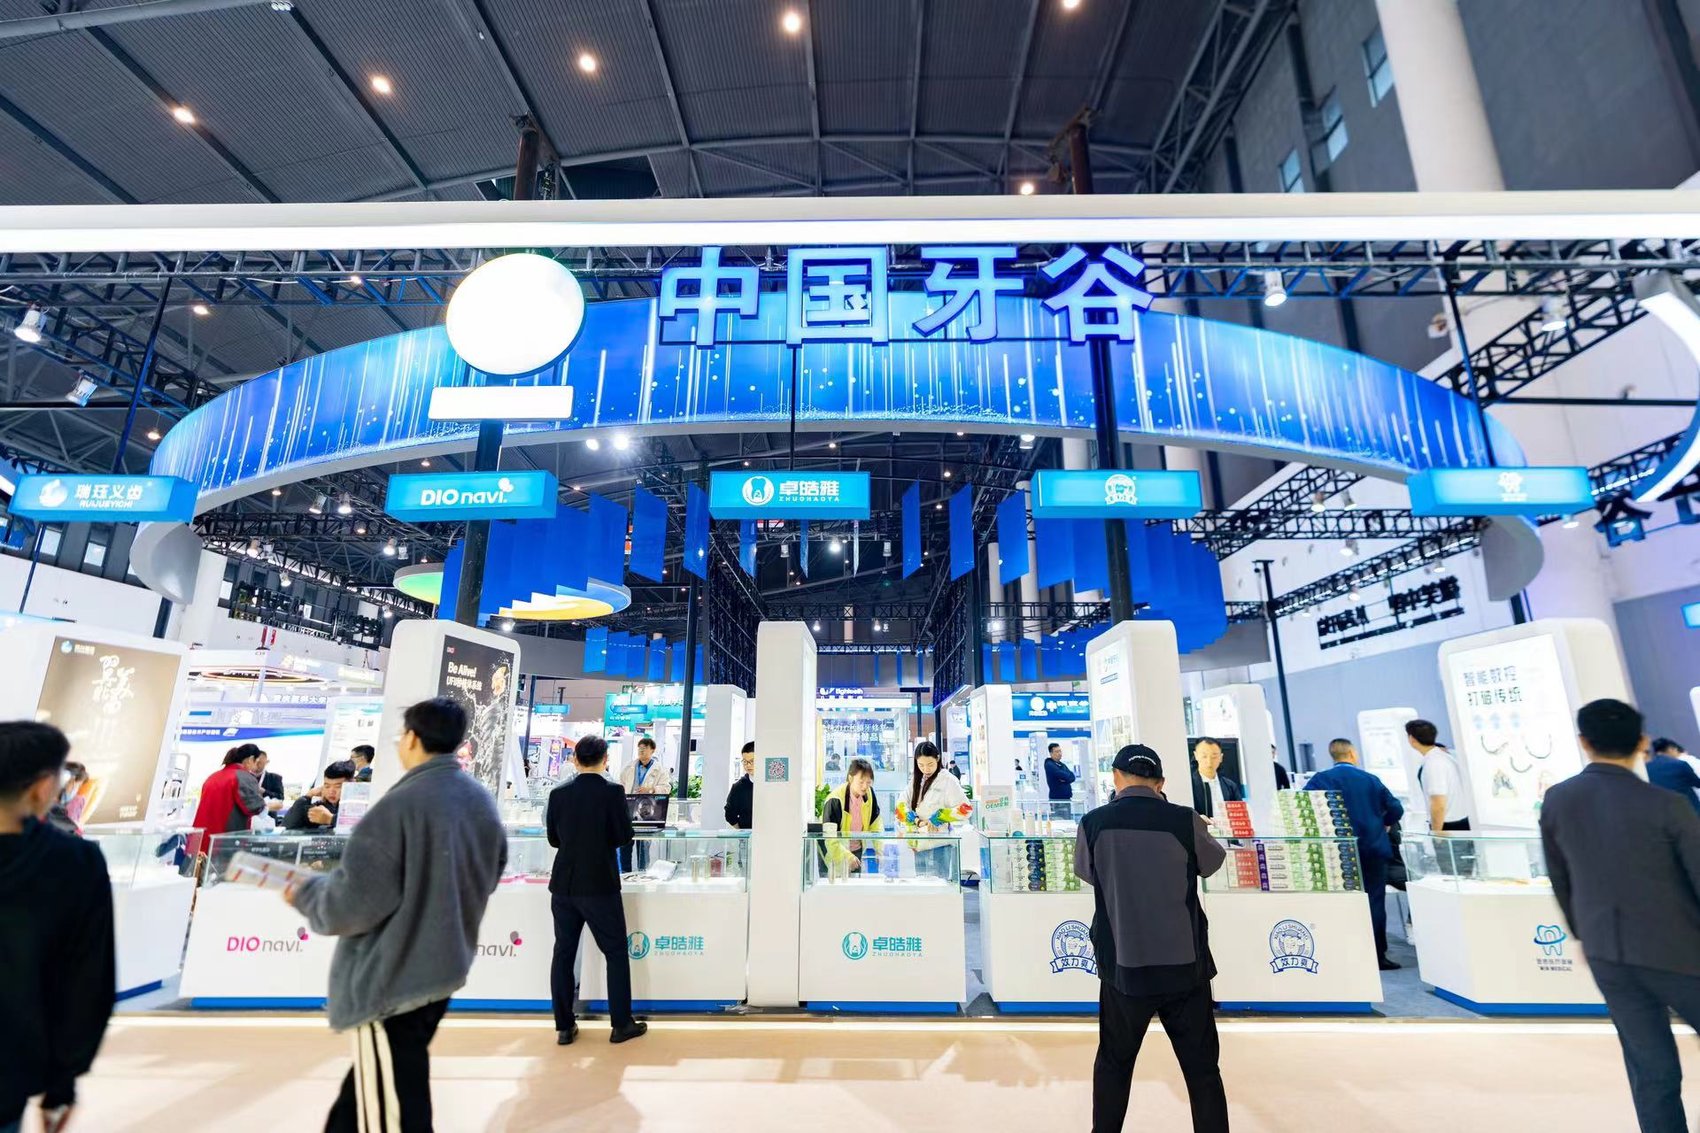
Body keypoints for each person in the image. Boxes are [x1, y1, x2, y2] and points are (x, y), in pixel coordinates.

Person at [285, 697, 507, 1132]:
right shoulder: (478, 799)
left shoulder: (399, 805)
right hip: (442, 967)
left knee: (391, 1106)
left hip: (394, 978)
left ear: (412, 738)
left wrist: (306, 893)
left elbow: (351, 905)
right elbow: (490, 872)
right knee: (371, 1095)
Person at [1540, 698, 1700, 1133]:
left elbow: (1560, 877)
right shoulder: (1667, 805)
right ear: (1642, 742)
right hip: (1682, 952)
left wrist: (1583, 935)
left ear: (1584, 742)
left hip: (1608, 952)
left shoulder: (1558, 799)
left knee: (1651, 1069)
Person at [1075, 744, 1228, 1133]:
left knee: (1114, 1063)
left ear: (1116, 777)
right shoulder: (1185, 820)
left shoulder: (1094, 823)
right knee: (1202, 1070)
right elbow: (1211, 863)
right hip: (1185, 966)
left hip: (1123, 964)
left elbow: (1088, 872)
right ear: (1161, 782)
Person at [0, 722, 115, 1133]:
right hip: (9, 1065)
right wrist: (63, 1080)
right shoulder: (74, 863)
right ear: (42, 786)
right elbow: (85, 978)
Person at [545, 734, 647, 1047]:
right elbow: (623, 836)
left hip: (564, 884)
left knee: (563, 953)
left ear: (575, 760)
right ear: (605, 760)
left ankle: (564, 1026)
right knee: (615, 953)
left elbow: (553, 839)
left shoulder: (558, 793)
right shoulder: (613, 791)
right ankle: (621, 1024)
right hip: (600, 884)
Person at [1306, 739, 1405, 970]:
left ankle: (1346, 953)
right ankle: (1377, 955)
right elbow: (1396, 808)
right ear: (1352, 753)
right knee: (1374, 901)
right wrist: (1385, 823)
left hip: (1337, 851)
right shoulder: (1370, 779)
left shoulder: (1321, 779)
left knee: (1341, 901)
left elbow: (1306, 804)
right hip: (1373, 848)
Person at [819, 757, 882, 874]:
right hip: (835, 855)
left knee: (855, 884)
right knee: (836, 883)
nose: (865, 786)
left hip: (857, 851)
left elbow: (876, 824)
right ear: (850, 778)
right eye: (861, 782)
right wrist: (848, 857)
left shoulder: (869, 794)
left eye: (868, 782)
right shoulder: (835, 800)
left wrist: (880, 850)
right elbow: (829, 839)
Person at [1406, 719, 1469, 833]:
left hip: (1448, 826)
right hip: (1460, 821)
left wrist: (1436, 833)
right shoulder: (1444, 757)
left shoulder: (1433, 763)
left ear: (1411, 739)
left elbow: (1438, 803)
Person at [190, 744, 266, 836]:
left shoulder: (213, 777)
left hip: (200, 836)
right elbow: (255, 807)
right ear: (251, 759)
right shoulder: (244, 777)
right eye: (257, 762)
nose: (257, 767)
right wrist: (268, 805)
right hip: (224, 838)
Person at [281, 761, 355, 832]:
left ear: (352, 784)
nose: (331, 791)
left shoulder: (357, 805)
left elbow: (359, 827)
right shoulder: (320, 807)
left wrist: (331, 819)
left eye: (338, 786)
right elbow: (287, 826)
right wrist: (308, 796)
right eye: (327, 786)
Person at [1189, 738, 1243, 824]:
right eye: (1204, 756)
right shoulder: (1189, 785)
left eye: (1214, 757)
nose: (1209, 762)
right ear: (1196, 756)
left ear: (1221, 757)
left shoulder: (1230, 786)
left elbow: (1240, 815)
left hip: (1227, 831)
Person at [1646, 738, 1700, 817]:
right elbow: (1697, 783)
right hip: (1690, 811)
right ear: (1671, 749)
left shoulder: (1647, 769)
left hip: (1666, 814)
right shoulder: (1679, 764)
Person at [724, 741, 755, 830]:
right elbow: (729, 814)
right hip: (748, 835)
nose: (748, 765)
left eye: (752, 761)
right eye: (745, 762)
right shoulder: (738, 787)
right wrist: (741, 832)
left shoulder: (770, 785)